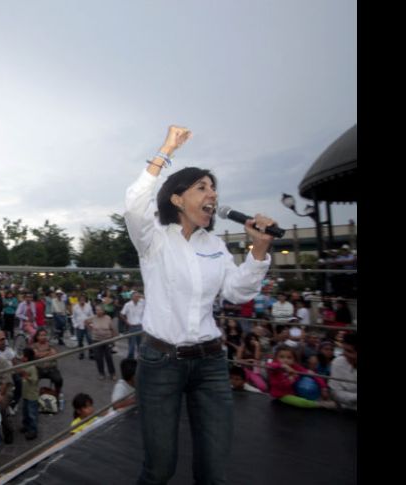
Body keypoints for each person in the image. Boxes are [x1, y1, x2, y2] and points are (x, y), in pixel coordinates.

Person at [124, 125, 276, 484]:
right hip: (161, 363)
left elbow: (238, 293)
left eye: (214, 188)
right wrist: (165, 150)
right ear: (177, 199)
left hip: (210, 363)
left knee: (214, 469)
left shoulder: (216, 245)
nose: (213, 194)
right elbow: (133, 204)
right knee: (160, 467)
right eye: (202, 187)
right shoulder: (153, 239)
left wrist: (259, 249)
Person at [267, 345, 336, 408]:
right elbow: (270, 365)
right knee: (302, 403)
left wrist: (323, 387)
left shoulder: (295, 367)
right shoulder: (274, 367)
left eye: (289, 357)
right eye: (281, 357)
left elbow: (312, 374)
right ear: (276, 358)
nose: (285, 360)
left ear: (294, 360)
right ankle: (320, 404)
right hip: (281, 395)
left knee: (308, 379)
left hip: (293, 391)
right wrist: (283, 366)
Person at [85, 305, 118, 380]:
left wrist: (113, 341)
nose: (98, 312)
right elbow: (86, 322)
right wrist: (90, 330)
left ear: (103, 311)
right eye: (96, 310)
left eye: (100, 310)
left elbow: (113, 329)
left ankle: (112, 373)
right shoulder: (93, 318)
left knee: (109, 357)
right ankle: (101, 373)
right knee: (98, 358)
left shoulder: (108, 318)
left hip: (107, 340)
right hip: (96, 341)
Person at [329, 332, 357, 411]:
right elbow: (335, 393)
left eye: (349, 351)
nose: (344, 354)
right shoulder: (338, 362)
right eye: (344, 349)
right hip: (346, 411)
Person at [18, 347, 40, 440]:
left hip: (32, 396)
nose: (21, 357)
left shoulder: (32, 367)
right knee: (25, 412)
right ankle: (26, 426)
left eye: (23, 355)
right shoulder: (25, 365)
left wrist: (26, 376)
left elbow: (35, 380)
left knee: (32, 414)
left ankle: (33, 430)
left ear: (27, 357)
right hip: (26, 394)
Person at [120, 292, 145, 359]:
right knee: (132, 344)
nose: (137, 298)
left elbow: (148, 300)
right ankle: (130, 359)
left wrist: (142, 296)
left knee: (140, 344)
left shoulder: (142, 303)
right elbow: (122, 314)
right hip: (132, 326)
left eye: (138, 296)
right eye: (136, 296)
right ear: (132, 297)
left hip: (140, 326)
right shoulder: (127, 305)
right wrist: (127, 322)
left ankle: (140, 358)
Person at [71, 294, 95, 360]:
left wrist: (91, 324)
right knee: (80, 341)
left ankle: (91, 353)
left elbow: (92, 315)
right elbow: (73, 317)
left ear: (85, 299)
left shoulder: (88, 306)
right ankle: (81, 353)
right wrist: (75, 325)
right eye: (81, 299)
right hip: (79, 326)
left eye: (83, 299)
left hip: (88, 326)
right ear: (79, 300)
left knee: (90, 340)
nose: (82, 300)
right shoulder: (75, 307)